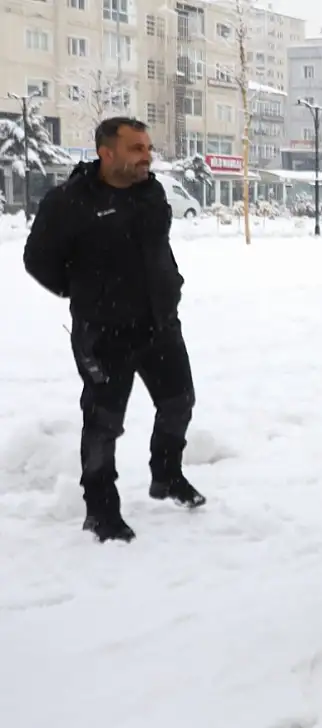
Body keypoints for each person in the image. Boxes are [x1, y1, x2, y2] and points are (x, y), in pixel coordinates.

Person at [23, 117, 204, 544]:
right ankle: (100, 509)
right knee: (104, 423)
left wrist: (168, 285)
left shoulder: (152, 193)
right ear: (107, 153)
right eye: (136, 148)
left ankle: (166, 476)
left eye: (148, 147)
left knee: (179, 403)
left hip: (159, 324)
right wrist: (84, 293)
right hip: (103, 333)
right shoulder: (69, 201)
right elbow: (37, 260)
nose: (147, 156)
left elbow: (158, 250)